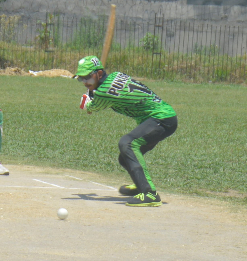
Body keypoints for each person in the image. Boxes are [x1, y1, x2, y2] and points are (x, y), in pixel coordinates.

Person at [75, 56, 177, 206]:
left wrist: (86, 101)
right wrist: (92, 90)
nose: (85, 82)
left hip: (161, 119)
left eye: (88, 77)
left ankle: (149, 194)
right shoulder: (116, 75)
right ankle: (141, 185)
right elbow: (101, 91)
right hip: (163, 116)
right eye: (81, 79)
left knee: (127, 144)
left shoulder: (104, 92)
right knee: (125, 158)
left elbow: (92, 107)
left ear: (100, 73)